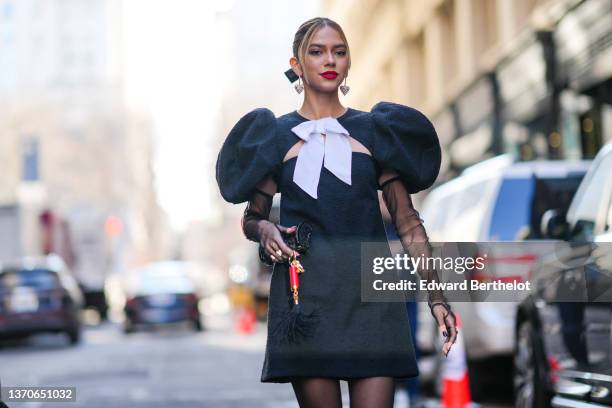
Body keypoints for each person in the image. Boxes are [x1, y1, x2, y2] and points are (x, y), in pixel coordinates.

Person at [216, 17, 457, 408]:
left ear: (347, 64)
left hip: (372, 298)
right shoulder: (276, 136)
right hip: (307, 299)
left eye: (339, 51)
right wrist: (265, 231)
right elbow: (251, 217)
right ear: (297, 65)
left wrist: (438, 297)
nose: (330, 59)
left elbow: (408, 222)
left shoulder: (374, 130)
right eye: (317, 51)